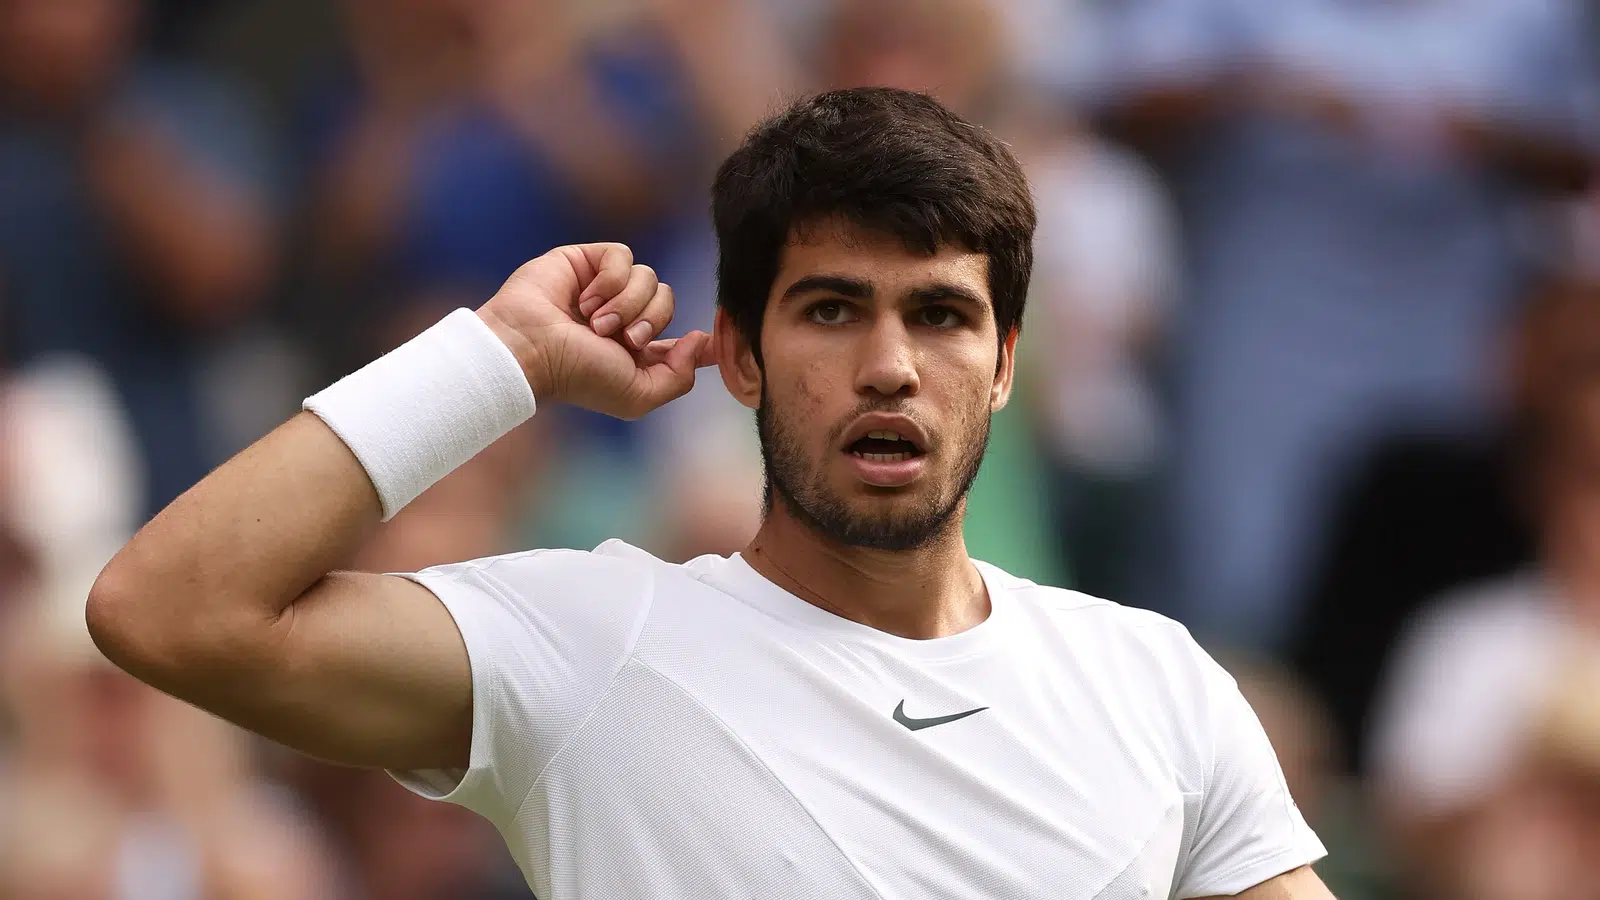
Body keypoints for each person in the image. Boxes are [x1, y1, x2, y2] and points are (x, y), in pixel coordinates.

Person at [85, 88, 1331, 898]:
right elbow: (167, 609)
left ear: (1006, 365)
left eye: (941, 316)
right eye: (831, 309)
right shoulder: (583, 649)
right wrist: (498, 361)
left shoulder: (1155, 683)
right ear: (738, 354)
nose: (889, 365)